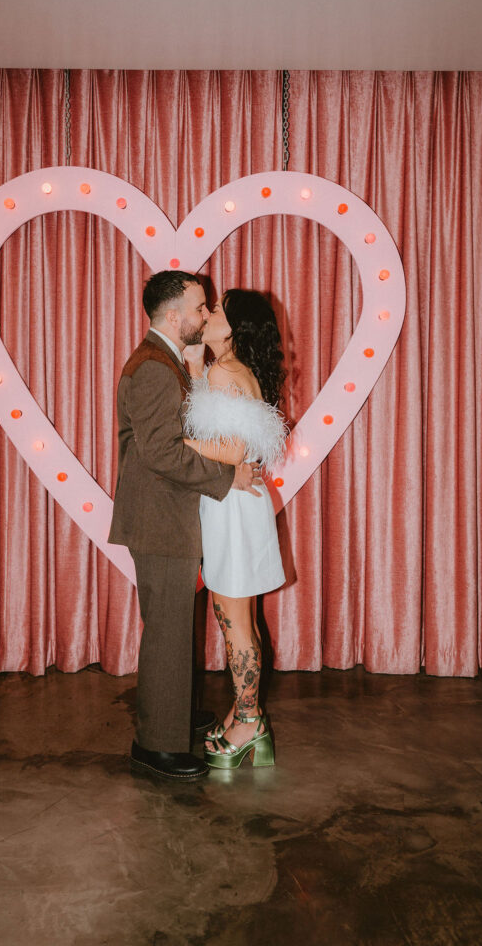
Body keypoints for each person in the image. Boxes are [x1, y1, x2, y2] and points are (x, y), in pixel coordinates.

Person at [108, 271, 261, 781]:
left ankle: (172, 717)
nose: (205, 314)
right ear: (174, 317)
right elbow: (162, 454)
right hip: (159, 517)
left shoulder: (165, 360)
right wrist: (228, 477)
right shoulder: (154, 367)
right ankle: (158, 745)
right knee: (168, 633)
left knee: (173, 627)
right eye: (200, 308)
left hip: (167, 514)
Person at [183, 289, 288, 770]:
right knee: (239, 618)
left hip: (232, 509)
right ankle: (247, 714)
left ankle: (249, 723)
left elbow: (227, 451)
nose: (207, 314)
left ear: (235, 328)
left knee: (233, 620)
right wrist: (193, 361)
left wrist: (169, 437)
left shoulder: (228, 372)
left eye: (217, 310)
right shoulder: (225, 369)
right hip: (236, 507)